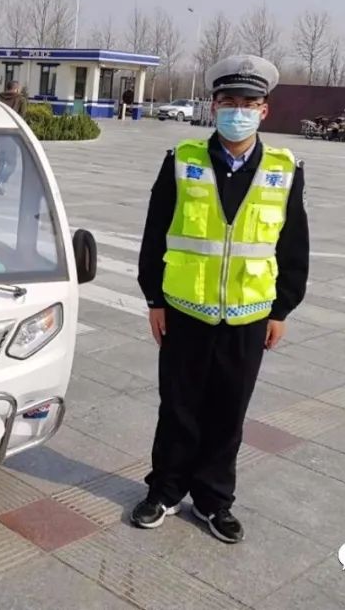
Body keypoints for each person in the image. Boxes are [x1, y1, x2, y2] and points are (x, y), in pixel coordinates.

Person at [131, 55, 309, 544]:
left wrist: (281, 309)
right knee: (178, 407)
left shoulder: (284, 169)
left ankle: (213, 500)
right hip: (184, 310)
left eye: (249, 103)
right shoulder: (182, 160)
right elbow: (155, 232)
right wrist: (154, 299)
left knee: (229, 413)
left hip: (249, 317)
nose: (238, 112)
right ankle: (164, 491)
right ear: (213, 107)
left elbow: (293, 246)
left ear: (264, 110)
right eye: (229, 102)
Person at [0, 81, 27, 195]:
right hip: (11, 134)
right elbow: (22, 118)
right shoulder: (20, 100)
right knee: (12, 163)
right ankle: (1, 180)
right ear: (16, 89)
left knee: (1, 160)